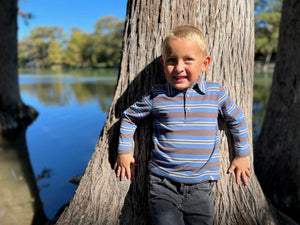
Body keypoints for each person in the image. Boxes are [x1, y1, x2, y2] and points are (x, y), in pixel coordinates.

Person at [114, 25, 251, 225]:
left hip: (201, 185)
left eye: (188, 59)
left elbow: (237, 120)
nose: (179, 68)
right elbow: (128, 117)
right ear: (163, 64)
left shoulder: (215, 93)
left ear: (204, 64)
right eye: (171, 60)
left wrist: (242, 156)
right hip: (163, 183)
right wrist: (124, 152)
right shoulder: (157, 95)